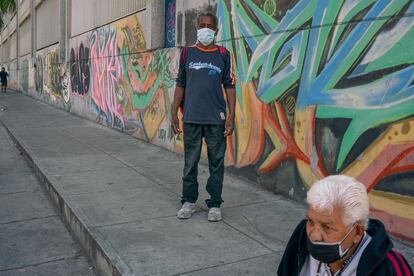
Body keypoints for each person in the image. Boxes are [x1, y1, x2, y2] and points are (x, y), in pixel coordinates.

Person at [171, 12, 236, 222]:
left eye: (209, 25)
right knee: (190, 163)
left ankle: (215, 204)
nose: (205, 28)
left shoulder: (224, 54)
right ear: (197, 28)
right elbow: (180, 84)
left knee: (216, 163)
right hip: (191, 117)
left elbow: (230, 86)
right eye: (202, 25)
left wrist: (231, 115)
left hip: (216, 119)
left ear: (216, 30)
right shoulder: (187, 54)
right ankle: (188, 201)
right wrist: (173, 112)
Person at [278, 175, 413, 276]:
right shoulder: (300, 239)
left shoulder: (389, 268)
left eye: (327, 227)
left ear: (357, 232)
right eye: (311, 222)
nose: (314, 236)